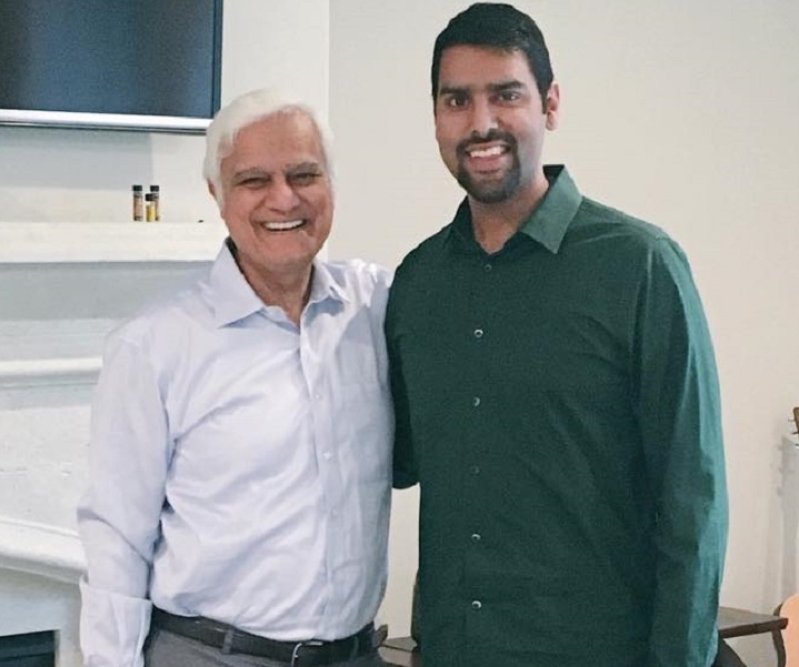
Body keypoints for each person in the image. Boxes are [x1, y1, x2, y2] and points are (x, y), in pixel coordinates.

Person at [386, 4, 728, 667]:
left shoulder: (639, 267)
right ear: (434, 118)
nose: (480, 122)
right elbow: (391, 457)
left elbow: (692, 502)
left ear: (549, 104)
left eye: (504, 94)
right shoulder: (417, 283)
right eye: (456, 99)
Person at [78, 89, 392, 667]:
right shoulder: (154, 346)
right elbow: (116, 537)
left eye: (304, 174)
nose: (283, 198)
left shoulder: (375, 308)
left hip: (357, 655)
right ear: (217, 196)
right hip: (208, 655)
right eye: (253, 181)